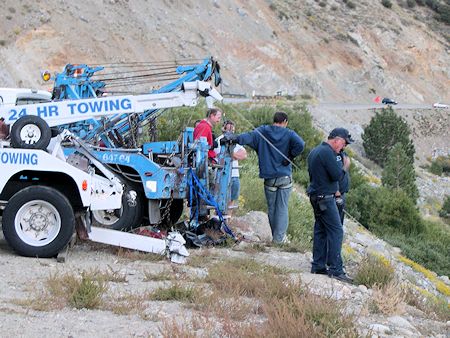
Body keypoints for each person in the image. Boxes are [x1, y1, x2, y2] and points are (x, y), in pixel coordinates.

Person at [222, 111, 305, 243]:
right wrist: (290, 157)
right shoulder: (289, 133)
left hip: (270, 178)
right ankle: (279, 239)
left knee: (272, 208)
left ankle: (274, 236)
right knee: (282, 207)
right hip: (284, 177)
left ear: (274, 120)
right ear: (285, 122)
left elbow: (247, 137)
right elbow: (301, 144)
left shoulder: (262, 131)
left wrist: (233, 137)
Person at [306, 127, 354, 283]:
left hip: (316, 196)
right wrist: (345, 165)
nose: (344, 147)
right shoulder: (327, 153)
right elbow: (337, 175)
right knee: (336, 231)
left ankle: (318, 265)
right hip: (325, 198)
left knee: (321, 230)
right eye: (344, 143)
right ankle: (335, 269)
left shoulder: (316, 151)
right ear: (337, 140)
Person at [215, 120, 247, 207]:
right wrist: (233, 155)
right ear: (224, 128)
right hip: (221, 174)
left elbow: (244, 155)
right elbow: (219, 156)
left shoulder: (235, 140)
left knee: (232, 199)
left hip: (234, 175)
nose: (231, 130)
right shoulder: (218, 140)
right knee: (220, 199)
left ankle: (228, 219)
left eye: (232, 129)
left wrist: (231, 154)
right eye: (229, 128)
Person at [336, 147, 351, 225]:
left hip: (342, 193)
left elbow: (348, 160)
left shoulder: (342, 153)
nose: (345, 145)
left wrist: (344, 168)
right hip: (336, 195)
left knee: (339, 221)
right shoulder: (331, 155)